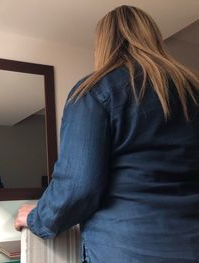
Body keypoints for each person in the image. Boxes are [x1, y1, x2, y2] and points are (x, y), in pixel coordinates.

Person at [14, 5, 199, 263]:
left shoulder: (95, 91)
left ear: (103, 44)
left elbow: (77, 188)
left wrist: (36, 217)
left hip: (127, 250)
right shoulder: (191, 90)